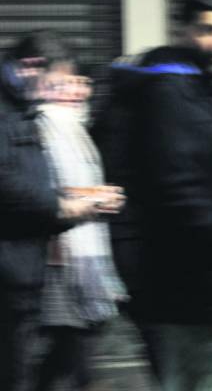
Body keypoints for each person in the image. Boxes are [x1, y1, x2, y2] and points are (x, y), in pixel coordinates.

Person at [91, 0, 212, 391]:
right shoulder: (169, 93)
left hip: (205, 283)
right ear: (184, 30)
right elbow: (175, 185)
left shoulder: (200, 90)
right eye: (211, 30)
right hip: (197, 284)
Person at [0, 30, 123, 391]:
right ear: (32, 67)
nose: (64, 91)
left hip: (24, 268)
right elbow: (10, 181)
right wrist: (65, 205)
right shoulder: (18, 114)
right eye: (58, 82)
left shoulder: (21, 108)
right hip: (19, 268)